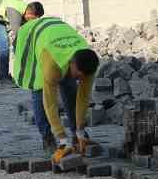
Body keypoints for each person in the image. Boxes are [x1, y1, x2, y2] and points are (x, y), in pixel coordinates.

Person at [12, 14, 100, 159]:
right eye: (78, 75)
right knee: (39, 91)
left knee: (71, 89)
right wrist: (61, 136)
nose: (80, 79)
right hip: (33, 35)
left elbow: (83, 97)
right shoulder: (51, 66)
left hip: (56, 33)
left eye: (82, 77)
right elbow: (50, 103)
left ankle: (76, 136)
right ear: (72, 63)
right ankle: (48, 138)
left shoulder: (88, 61)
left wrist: (80, 129)